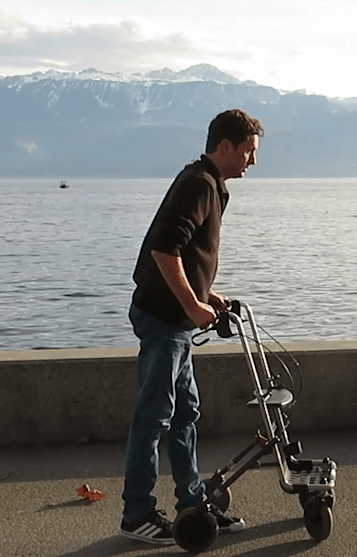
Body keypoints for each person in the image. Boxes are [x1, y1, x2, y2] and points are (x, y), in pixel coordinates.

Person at [119, 109, 263, 545]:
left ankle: (192, 506)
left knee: (185, 415)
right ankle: (136, 513)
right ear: (225, 147)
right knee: (153, 418)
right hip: (164, 320)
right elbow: (165, 250)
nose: (252, 162)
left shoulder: (209, 184)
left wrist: (207, 297)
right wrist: (192, 305)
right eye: (248, 152)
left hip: (177, 321)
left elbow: (188, 252)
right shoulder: (199, 185)